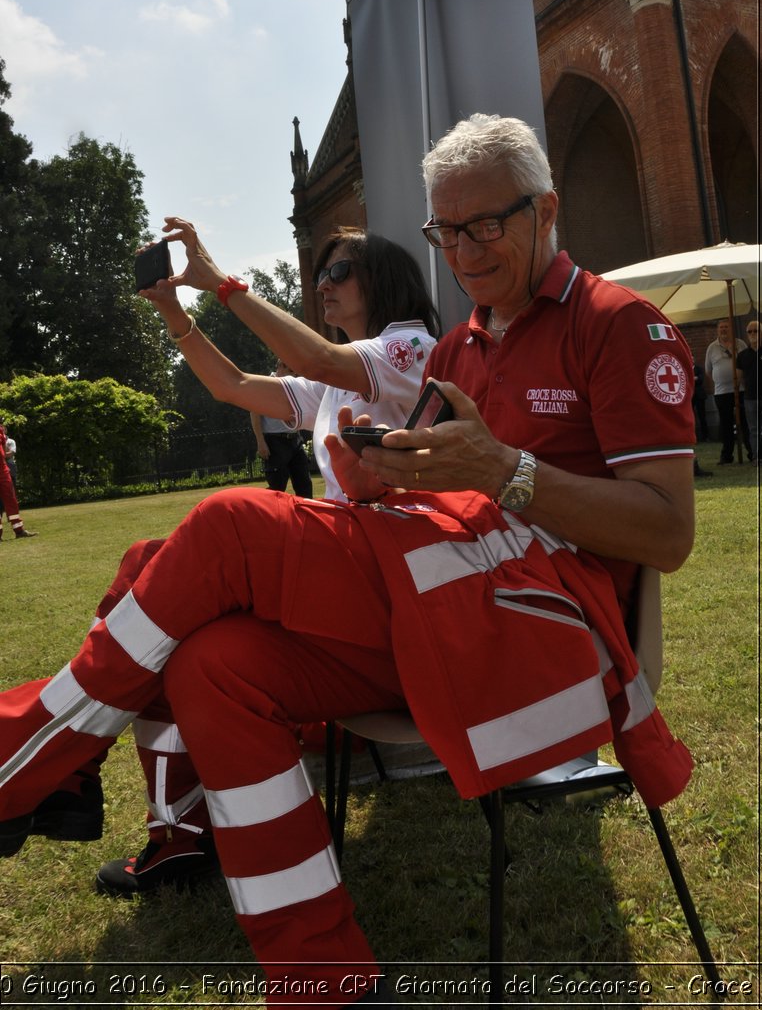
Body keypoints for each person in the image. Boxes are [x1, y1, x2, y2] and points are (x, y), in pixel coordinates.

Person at [0, 115, 696, 1008]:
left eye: (487, 223)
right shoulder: (459, 346)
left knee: (224, 526)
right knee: (217, 667)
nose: (466, 249)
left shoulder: (618, 325)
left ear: (546, 210)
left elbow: (667, 535)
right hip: (448, 601)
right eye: (447, 230)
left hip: (548, 636)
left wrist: (506, 472)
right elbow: (434, 488)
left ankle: (27, 761)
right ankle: (322, 978)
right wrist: (385, 477)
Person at [1, 226, 439, 900]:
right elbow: (232, 384)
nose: (322, 283)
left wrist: (226, 287)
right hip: (349, 582)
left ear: (384, 279)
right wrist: (173, 312)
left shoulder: (410, 346)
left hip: (389, 599)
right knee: (148, 568)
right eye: (320, 271)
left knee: (205, 541)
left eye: (340, 269)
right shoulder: (341, 376)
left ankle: (65, 764)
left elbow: (321, 359)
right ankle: (173, 828)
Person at [249, 362, 314, 498]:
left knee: (304, 484)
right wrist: (260, 442)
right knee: (277, 487)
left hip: (295, 439)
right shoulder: (265, 385)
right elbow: (254, 413)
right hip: (274, 441)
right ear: (280, 367)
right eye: (292, 372)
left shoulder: (293, 385)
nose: (295, 376)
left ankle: (306, 516)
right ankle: (269, 515)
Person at [704, 319, 751, 464]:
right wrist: (718, 382)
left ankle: (752, 452)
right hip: (722, 392)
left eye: (726, 327)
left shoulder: (740, 344)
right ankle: (727, 456)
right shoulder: (712, 347)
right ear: (717, 330)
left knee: (745, 422)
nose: (723, 330)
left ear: (731, 329)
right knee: (726, 424)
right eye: (721, 327)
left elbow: (747, 364)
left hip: (741, 390)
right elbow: (708, 370)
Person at [736, 321, 762, 464]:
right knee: (753, 430)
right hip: (750, 398)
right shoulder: (742, 355)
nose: (752, 334)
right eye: (749, 331)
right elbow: (738, 377)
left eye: (756, 331)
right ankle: (756, 456)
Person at [0, 420, 35, 541]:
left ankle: (19, 531)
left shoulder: (0, 432)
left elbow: (3, 451)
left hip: (3, 470)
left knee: (11, 499)